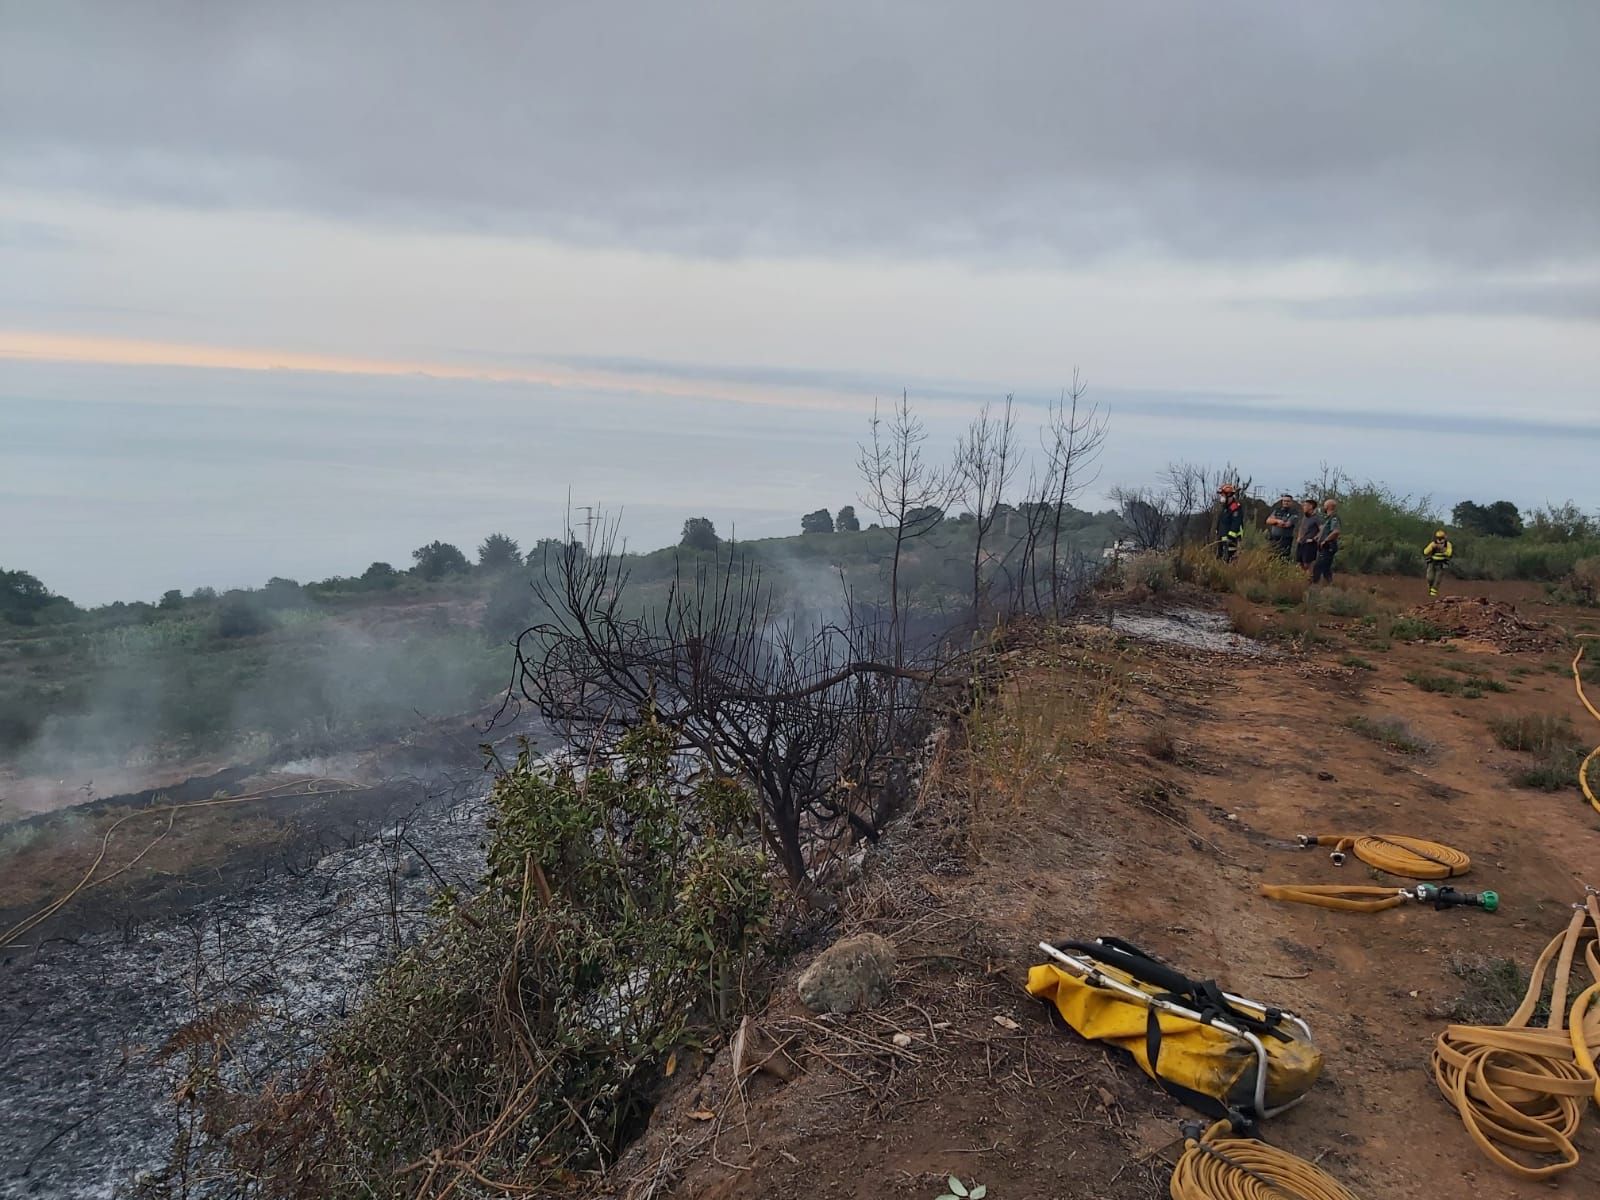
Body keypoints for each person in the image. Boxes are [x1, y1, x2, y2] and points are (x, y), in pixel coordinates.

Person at [1312, 498, 1341, 584]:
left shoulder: (1334, 518)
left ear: (1328, 507)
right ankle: (1329, 585)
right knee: (1326, 568)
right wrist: (1317, 538)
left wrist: (1325, 540)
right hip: (1324, 546)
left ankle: (1314, 585)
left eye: (1324, 505)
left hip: (1329, 546)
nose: (1323, 507)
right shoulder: (1327, 519)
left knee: (1318, 566)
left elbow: (1336, 531)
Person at [1215, 483, 1244, 562]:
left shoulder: (1235, 508)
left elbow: (1236, 524)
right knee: (1220, 560)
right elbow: (1221, 522)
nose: (1221, 497)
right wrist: (1218, 532)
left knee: (1230, 561)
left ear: (1229, 495)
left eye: (1223, 495)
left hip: (1231, 542)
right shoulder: (1225, 508)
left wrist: (1230, 538)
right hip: (1222, 540)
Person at [1265, 493, 1298, 560]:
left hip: (1285, 539)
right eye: (1284, 501)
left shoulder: (1294, 512)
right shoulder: (1277, 510)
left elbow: (1287, 524)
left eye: (1288, 501)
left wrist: (1274, 522)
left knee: (1283, 559)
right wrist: (1277, 521)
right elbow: (1268, 520)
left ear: (1291, 502)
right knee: (1271, 557)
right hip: (1274, 538)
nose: (1286, 503)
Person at [1423, 528, 1454, 597]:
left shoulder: (1448, 544)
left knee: (1437, 579)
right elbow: (1425, 552)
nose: (1440, 540)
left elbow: (1449, 553)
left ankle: (1433, 595)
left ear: (1444, 538)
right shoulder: (1433, 544)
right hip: (1432, 563)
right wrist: (1432, 547)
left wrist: (1442, 550)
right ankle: (1430, 587)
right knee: (1429, 577)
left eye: (1441, 538)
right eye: (1438, 538)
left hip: (1441, 564)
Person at [1294, 498, 1321, 574]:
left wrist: (1314, 539)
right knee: (1300, 562)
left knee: (1307, 564)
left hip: (1309, 544)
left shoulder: (1316, 518)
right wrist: (1299, 537)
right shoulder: (1305, 517)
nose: (1303, 507)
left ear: (1311, 506)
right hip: (1301, 542)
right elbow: (1301, 527)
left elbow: (1322, 529)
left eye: (1305, 505)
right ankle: (1301, 580)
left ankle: (1310, 580)